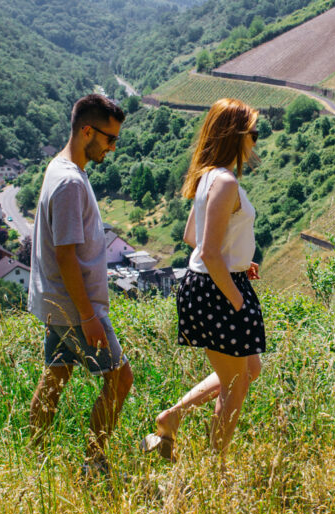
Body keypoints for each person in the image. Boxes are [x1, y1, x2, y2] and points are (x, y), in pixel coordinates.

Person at [140, 98, 264, 460]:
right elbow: (208, 252)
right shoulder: (224, 181)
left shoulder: (208, 175)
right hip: (217, 289)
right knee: (236, 385)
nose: (255, 140)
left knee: (248, 370)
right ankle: (215, 471)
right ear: (236, 136)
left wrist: (239, 260)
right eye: (252, 133)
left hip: (211, 283)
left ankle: (172, 417)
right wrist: (238, 300)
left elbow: (193, 237)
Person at [27, 94, 133, 477]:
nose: (112, 147)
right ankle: (94, 464)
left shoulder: (59, 169)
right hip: (75, 305)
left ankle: (34, 459)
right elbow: (67, 254)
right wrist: (88, 316)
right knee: (120, 379)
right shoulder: (70, 182)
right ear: (87, 130)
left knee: (57, 372)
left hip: (55, 299)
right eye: (109, 138)